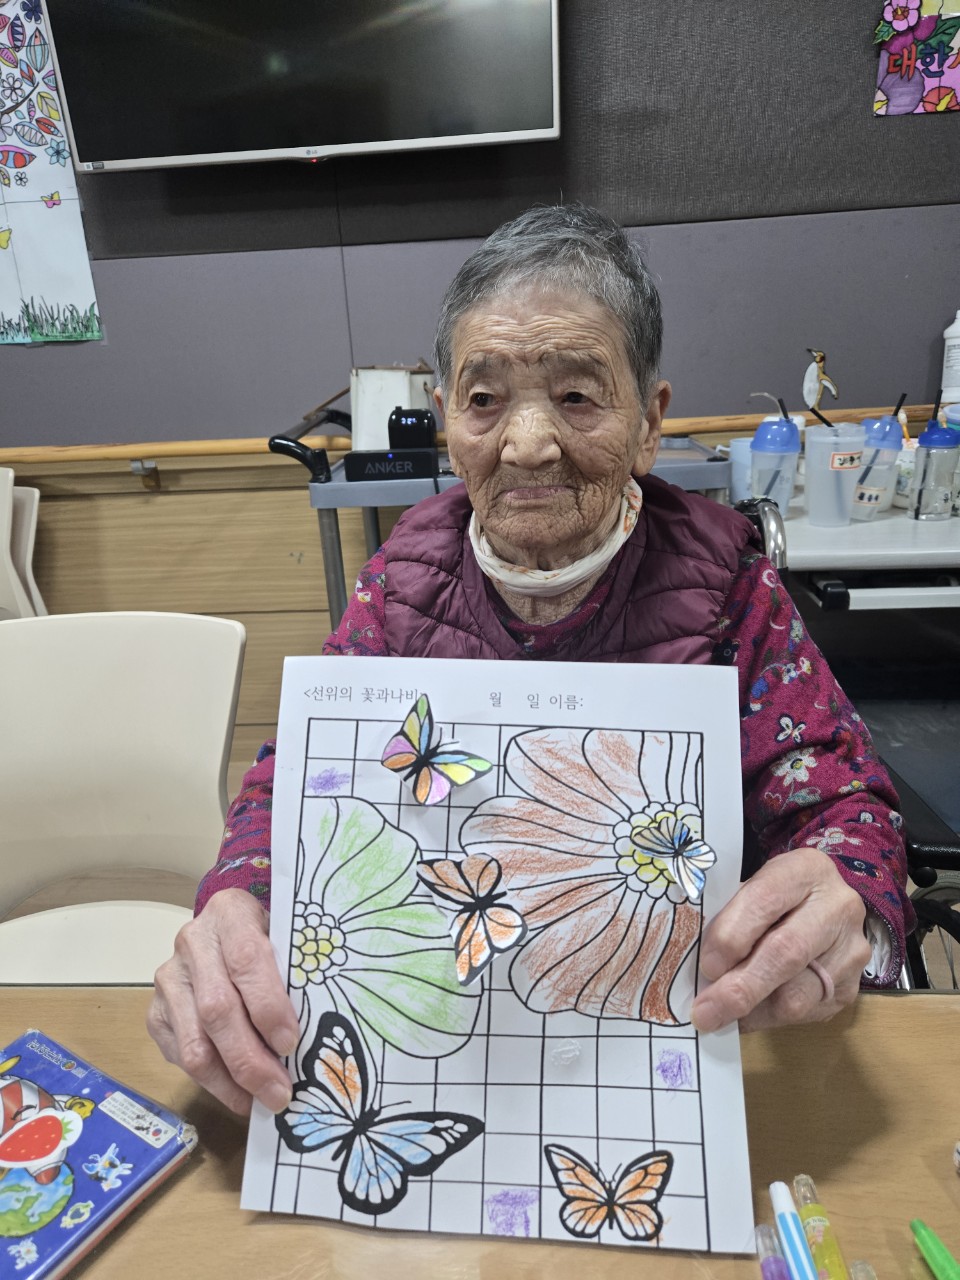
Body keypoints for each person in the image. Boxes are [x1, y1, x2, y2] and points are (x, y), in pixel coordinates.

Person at [148, 204, 912, 1118]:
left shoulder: (726, 583)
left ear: (649, 421)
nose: (527, 443)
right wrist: (236, 901)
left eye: (578, 396)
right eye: (485, 400)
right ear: (448, 420)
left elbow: (844, 807)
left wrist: (842, 898)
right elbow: (296, 787)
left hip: (674, 1061)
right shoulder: (400, 584)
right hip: (448, 1060)